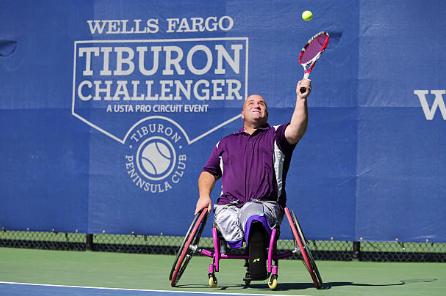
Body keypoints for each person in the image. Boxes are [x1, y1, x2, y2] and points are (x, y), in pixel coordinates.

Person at [195, 79, 311, 280]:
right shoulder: (225, 142)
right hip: (228, 208)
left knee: (253, 214)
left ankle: (257, 265)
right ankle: (254, 254)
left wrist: (301, 99)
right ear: (242, 114)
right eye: (251, 103)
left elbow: (297, 129)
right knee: (239, 217)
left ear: (266, 112)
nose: (256, 105)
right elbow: (209, 172)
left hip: (264, 206)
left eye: (261, 103)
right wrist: (204, 195)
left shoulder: (277, 135)